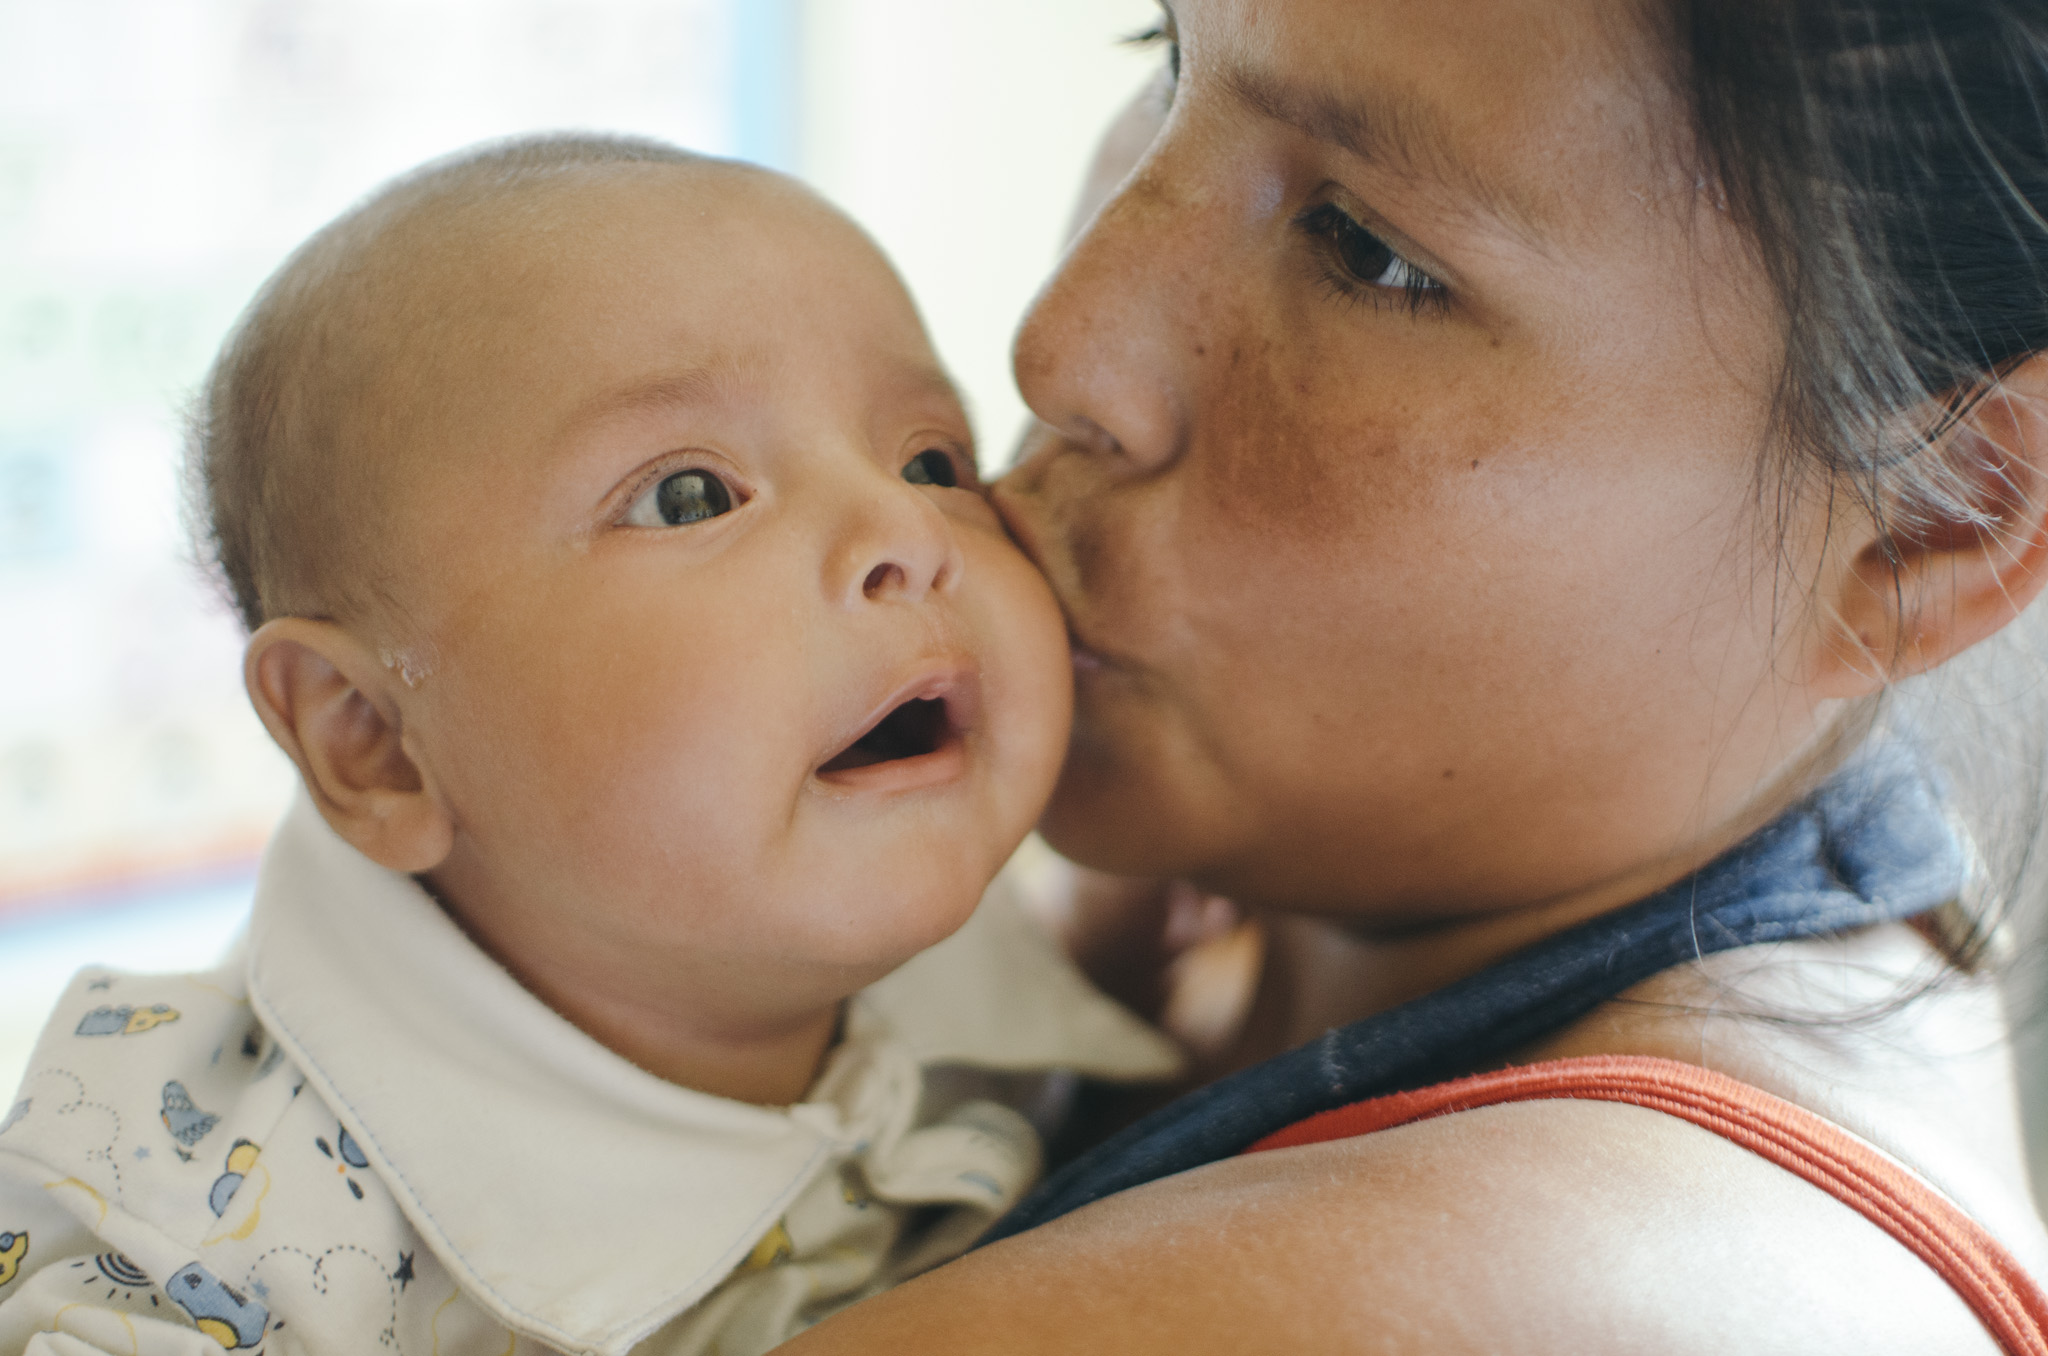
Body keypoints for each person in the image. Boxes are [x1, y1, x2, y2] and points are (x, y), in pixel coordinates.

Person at [778, 1, 2048, 1352]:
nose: (1064, 344)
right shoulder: (1238, 920)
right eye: (1164, 61)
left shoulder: (1491, 1298)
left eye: (1367, 252)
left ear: (1933, 527)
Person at [0, 136, 1179, 1356]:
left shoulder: (974, 973)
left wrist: (1102, 983)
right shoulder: (190, 1233)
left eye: (930, 460)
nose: (906, 530)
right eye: (691, 496)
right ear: (377, 742)